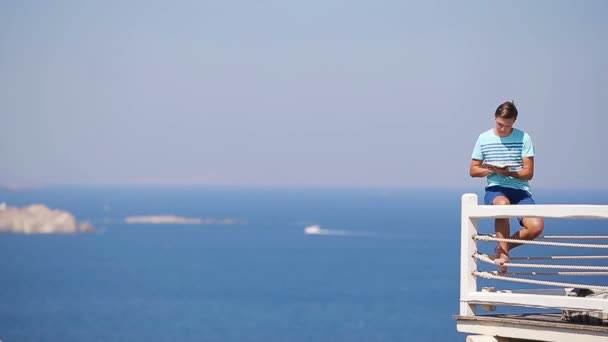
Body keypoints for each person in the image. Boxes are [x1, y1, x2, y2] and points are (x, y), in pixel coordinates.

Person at [469, 100, 544, 273]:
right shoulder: (484, 138)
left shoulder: (524, 137)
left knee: (536, 227)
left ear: (514, 121)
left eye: (507, 126)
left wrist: (508, 172)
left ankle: (503, 247)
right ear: (495, 118)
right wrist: (490, 168)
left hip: (520, 190)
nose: (503, 129)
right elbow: (473, 170)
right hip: (496, 189)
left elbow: (529, 173)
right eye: (500, 124)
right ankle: (503, 255)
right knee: (503, 206)